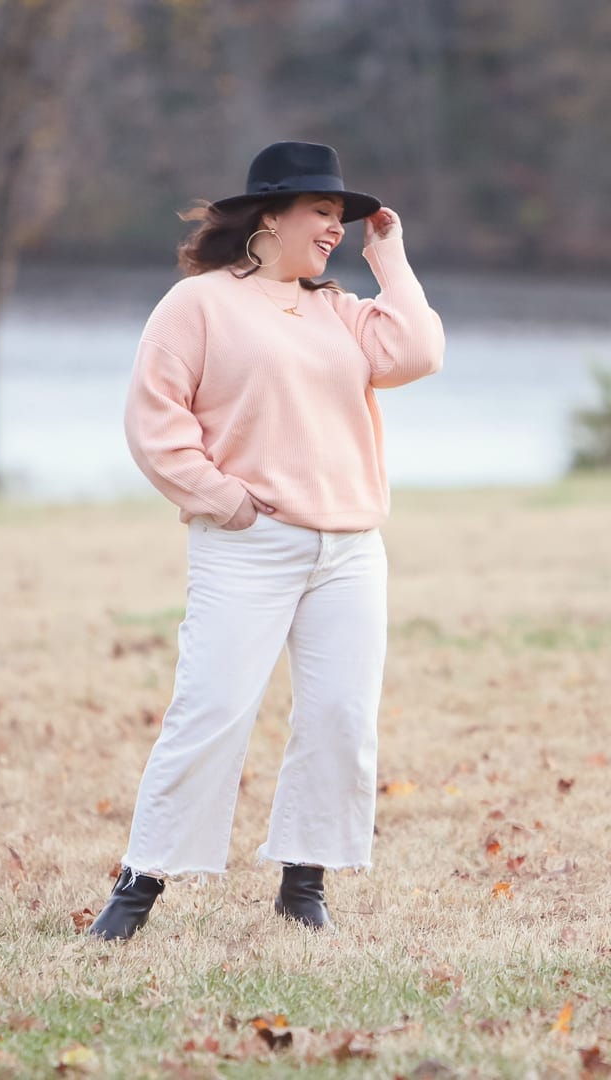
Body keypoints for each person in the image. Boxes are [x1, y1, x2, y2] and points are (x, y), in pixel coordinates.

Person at [89, 140, 443, 940]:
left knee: (341, 716)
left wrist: (390, 259)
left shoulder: (339, 309)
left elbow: (419, 352)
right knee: (211, 709)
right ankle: (139, 885)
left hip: (350, 551)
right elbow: (155, 422)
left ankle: (303, 882)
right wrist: (226, 501)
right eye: (322, 213)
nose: (334, 229)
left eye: (341, 218)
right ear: (269, 216)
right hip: (247, 546)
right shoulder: (198, 305)